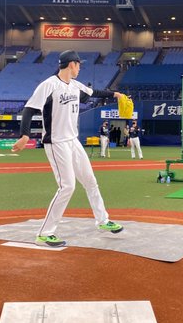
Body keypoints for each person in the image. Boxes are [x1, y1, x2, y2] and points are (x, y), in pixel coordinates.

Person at [12, 50, 124, 247]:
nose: (80, 68)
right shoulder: (49, 85)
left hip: (73, 141)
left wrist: (116, 94)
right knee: (68, 186)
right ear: (72, 64)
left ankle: (103, 220)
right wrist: (25, 135)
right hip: (56, 143)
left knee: (90, 181)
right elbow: (29, 109)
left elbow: (94, 93)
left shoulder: (75, 85)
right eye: (79, 64)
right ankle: (45, 234)